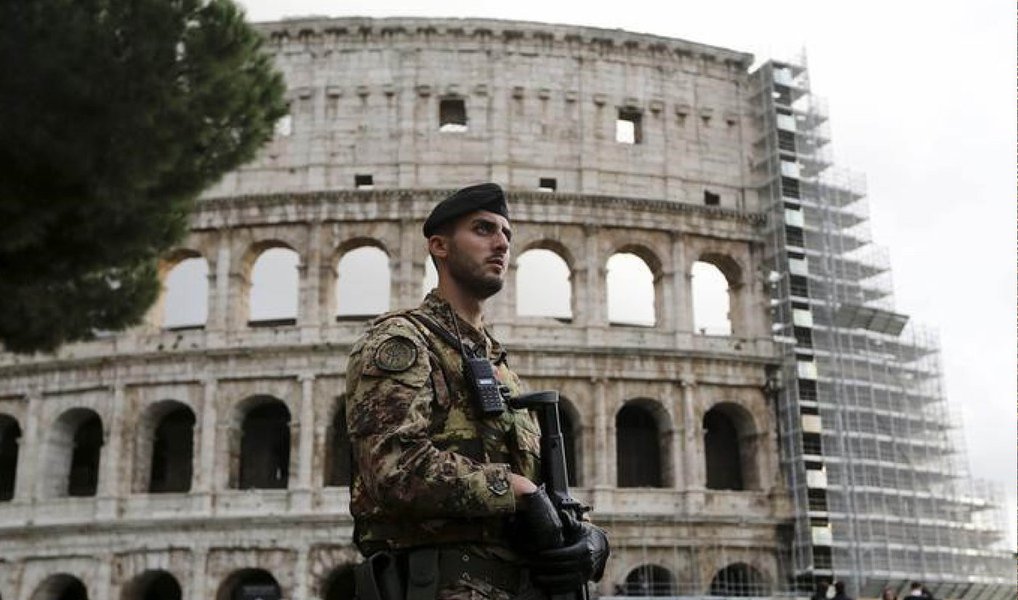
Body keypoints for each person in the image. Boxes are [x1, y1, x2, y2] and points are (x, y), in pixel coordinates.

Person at [346, 183, 609, 600]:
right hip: (439, 583)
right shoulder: (402, 341)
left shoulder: (499, 366)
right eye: (484, 229)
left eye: (506, 234)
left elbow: (540, 483)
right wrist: (517, 491)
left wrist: (591, 538)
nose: (502, 244)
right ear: (440, 246)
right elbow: (393, 468)